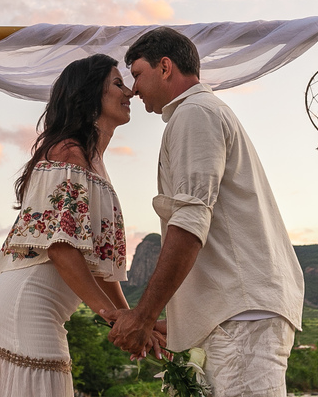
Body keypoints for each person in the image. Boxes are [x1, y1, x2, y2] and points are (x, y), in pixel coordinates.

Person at [108, 27, 305, 397]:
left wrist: (144, 315)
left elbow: (189, 220)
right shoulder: (200, 112)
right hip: (236, 314)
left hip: (242, 316)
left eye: (136, 74)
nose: (134, 89)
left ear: (165, 67)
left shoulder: (194, 114)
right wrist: (181, 322)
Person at [0, 53, 151, 397]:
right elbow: (61, 248)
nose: (129, 92)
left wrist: (135, 323)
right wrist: (114, 318)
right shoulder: (69, 152)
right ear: (89, 93)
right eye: (117, 83)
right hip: (26, 306)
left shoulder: (91, 161)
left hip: (34, 307)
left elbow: (100, 269)